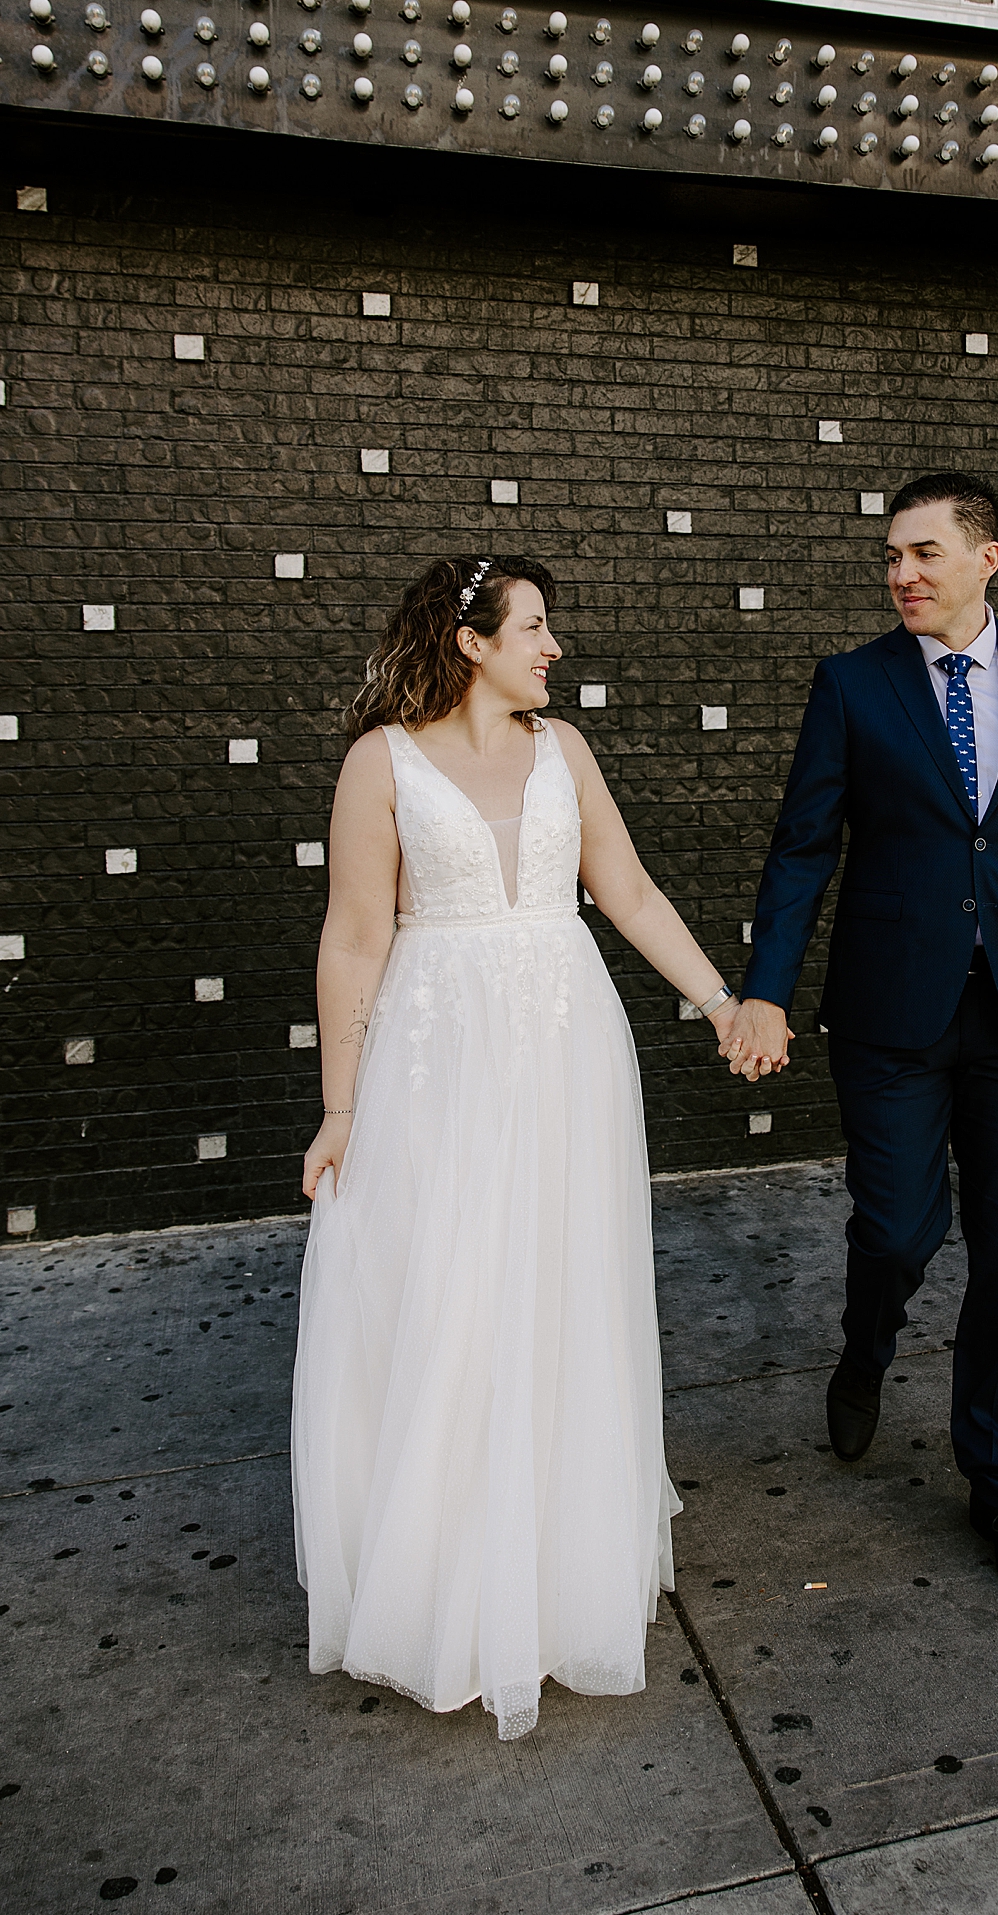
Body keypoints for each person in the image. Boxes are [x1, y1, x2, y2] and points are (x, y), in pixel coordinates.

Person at [290, 555, 743, 1738]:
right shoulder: (378, 762)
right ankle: (443, 1578)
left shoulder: (565, 751)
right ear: (471, 638)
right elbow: (352, 938)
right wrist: (341, 1106)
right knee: (448, 1289)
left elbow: (630, 892)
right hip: (437, 1055)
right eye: (536, 626)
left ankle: (552, 1569)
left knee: (557, 1285)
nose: (555, 646)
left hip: (564, 1045)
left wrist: (719, 1001)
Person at [720, 471, 998, 1606]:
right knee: (901, 1228)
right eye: (892, 557)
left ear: (987, 556)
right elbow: (802, 845)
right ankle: (867, 1344)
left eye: (923, 553)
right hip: (890, 1014)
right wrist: (764, 987)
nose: (901, 574)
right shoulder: (853, 685)